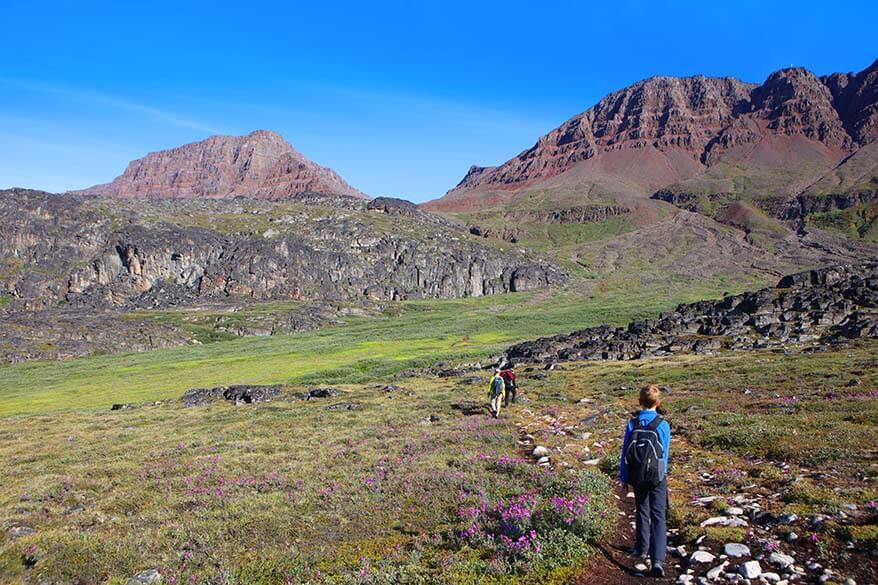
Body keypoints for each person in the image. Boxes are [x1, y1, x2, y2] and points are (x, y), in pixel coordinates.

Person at [620, 385, 671, 578]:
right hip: (657, 475)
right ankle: (658, 561)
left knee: (642, 509)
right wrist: (662, 474)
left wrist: (624, 477)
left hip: (637, 474)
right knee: (658, 514)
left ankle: (642, 548)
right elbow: (664, 453)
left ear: (639, 401)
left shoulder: (632, 424)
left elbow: (625, 452)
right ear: (658, 403)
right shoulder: (663, 425)